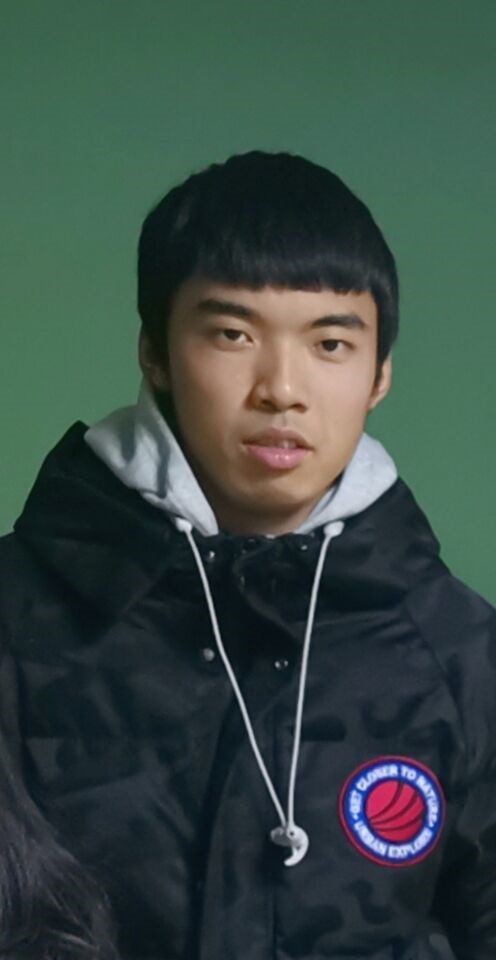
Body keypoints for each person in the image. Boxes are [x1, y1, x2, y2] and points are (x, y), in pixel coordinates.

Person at [1, 149, 495, 960]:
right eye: (232, 334)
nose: (281, 389)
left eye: (330, 344)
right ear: (155, 352)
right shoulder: (17, 616)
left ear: (379, 376)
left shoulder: (459, 653)